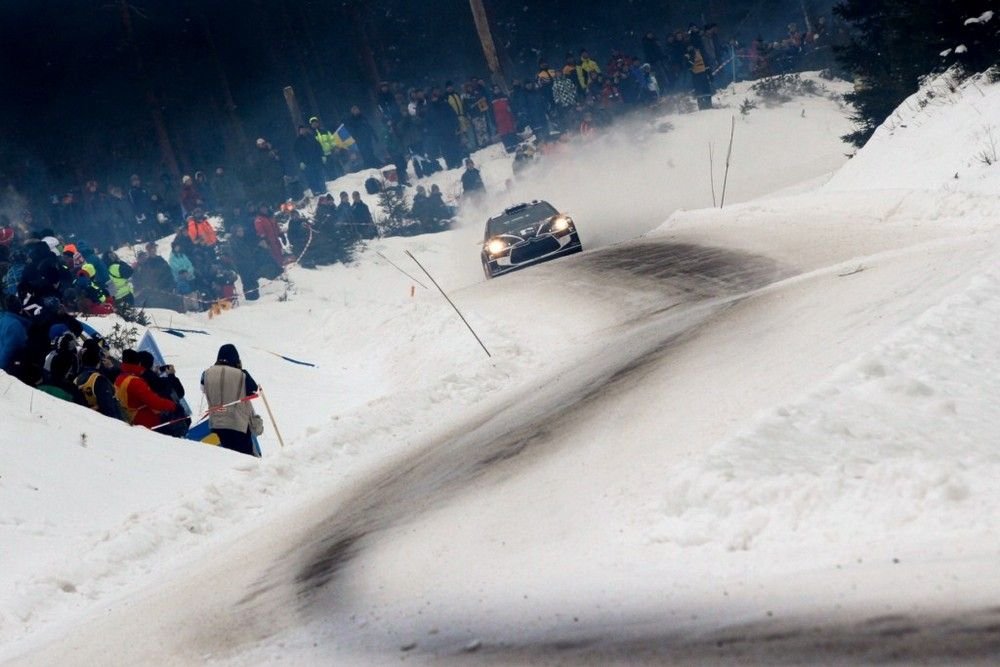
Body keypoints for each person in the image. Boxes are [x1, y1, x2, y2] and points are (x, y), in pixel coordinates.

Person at [201, 344, 263, 457]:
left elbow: (203, 389)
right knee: (246, 460)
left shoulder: (206, 373)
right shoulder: (242, 375)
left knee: (226, 458)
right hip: (237, 424)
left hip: (216, 423)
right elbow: (253, 391)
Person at [115, 349, 177, 430]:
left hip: (129, 416)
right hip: (146, 422)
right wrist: (172, 405)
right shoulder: (135, 381)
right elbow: (154, 402)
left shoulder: (120, 377)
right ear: (138, 363)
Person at [137, 350, 190, 437]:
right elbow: (179, 393)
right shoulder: (158, 381)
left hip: (149, 422)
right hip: (171, 421)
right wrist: (172, 376)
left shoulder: (137, 378)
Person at [75, 340, 123, 420]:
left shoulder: (77, 375)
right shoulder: (99, 379)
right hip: (105, 419)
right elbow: (108, 408)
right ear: (98, 363)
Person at [293, 124, 327, 196]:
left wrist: (322, 155)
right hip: (307, 163)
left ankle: (323, 188)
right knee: (311, 177)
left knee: (320, 175)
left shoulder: (312, 138)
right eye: (301, 130)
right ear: (299, 132)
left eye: (303, 129)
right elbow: (297, 153)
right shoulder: (298, 142)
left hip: (316, 160)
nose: (302, 131)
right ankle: (315, 190)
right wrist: (300, 162)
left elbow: (319, 147)